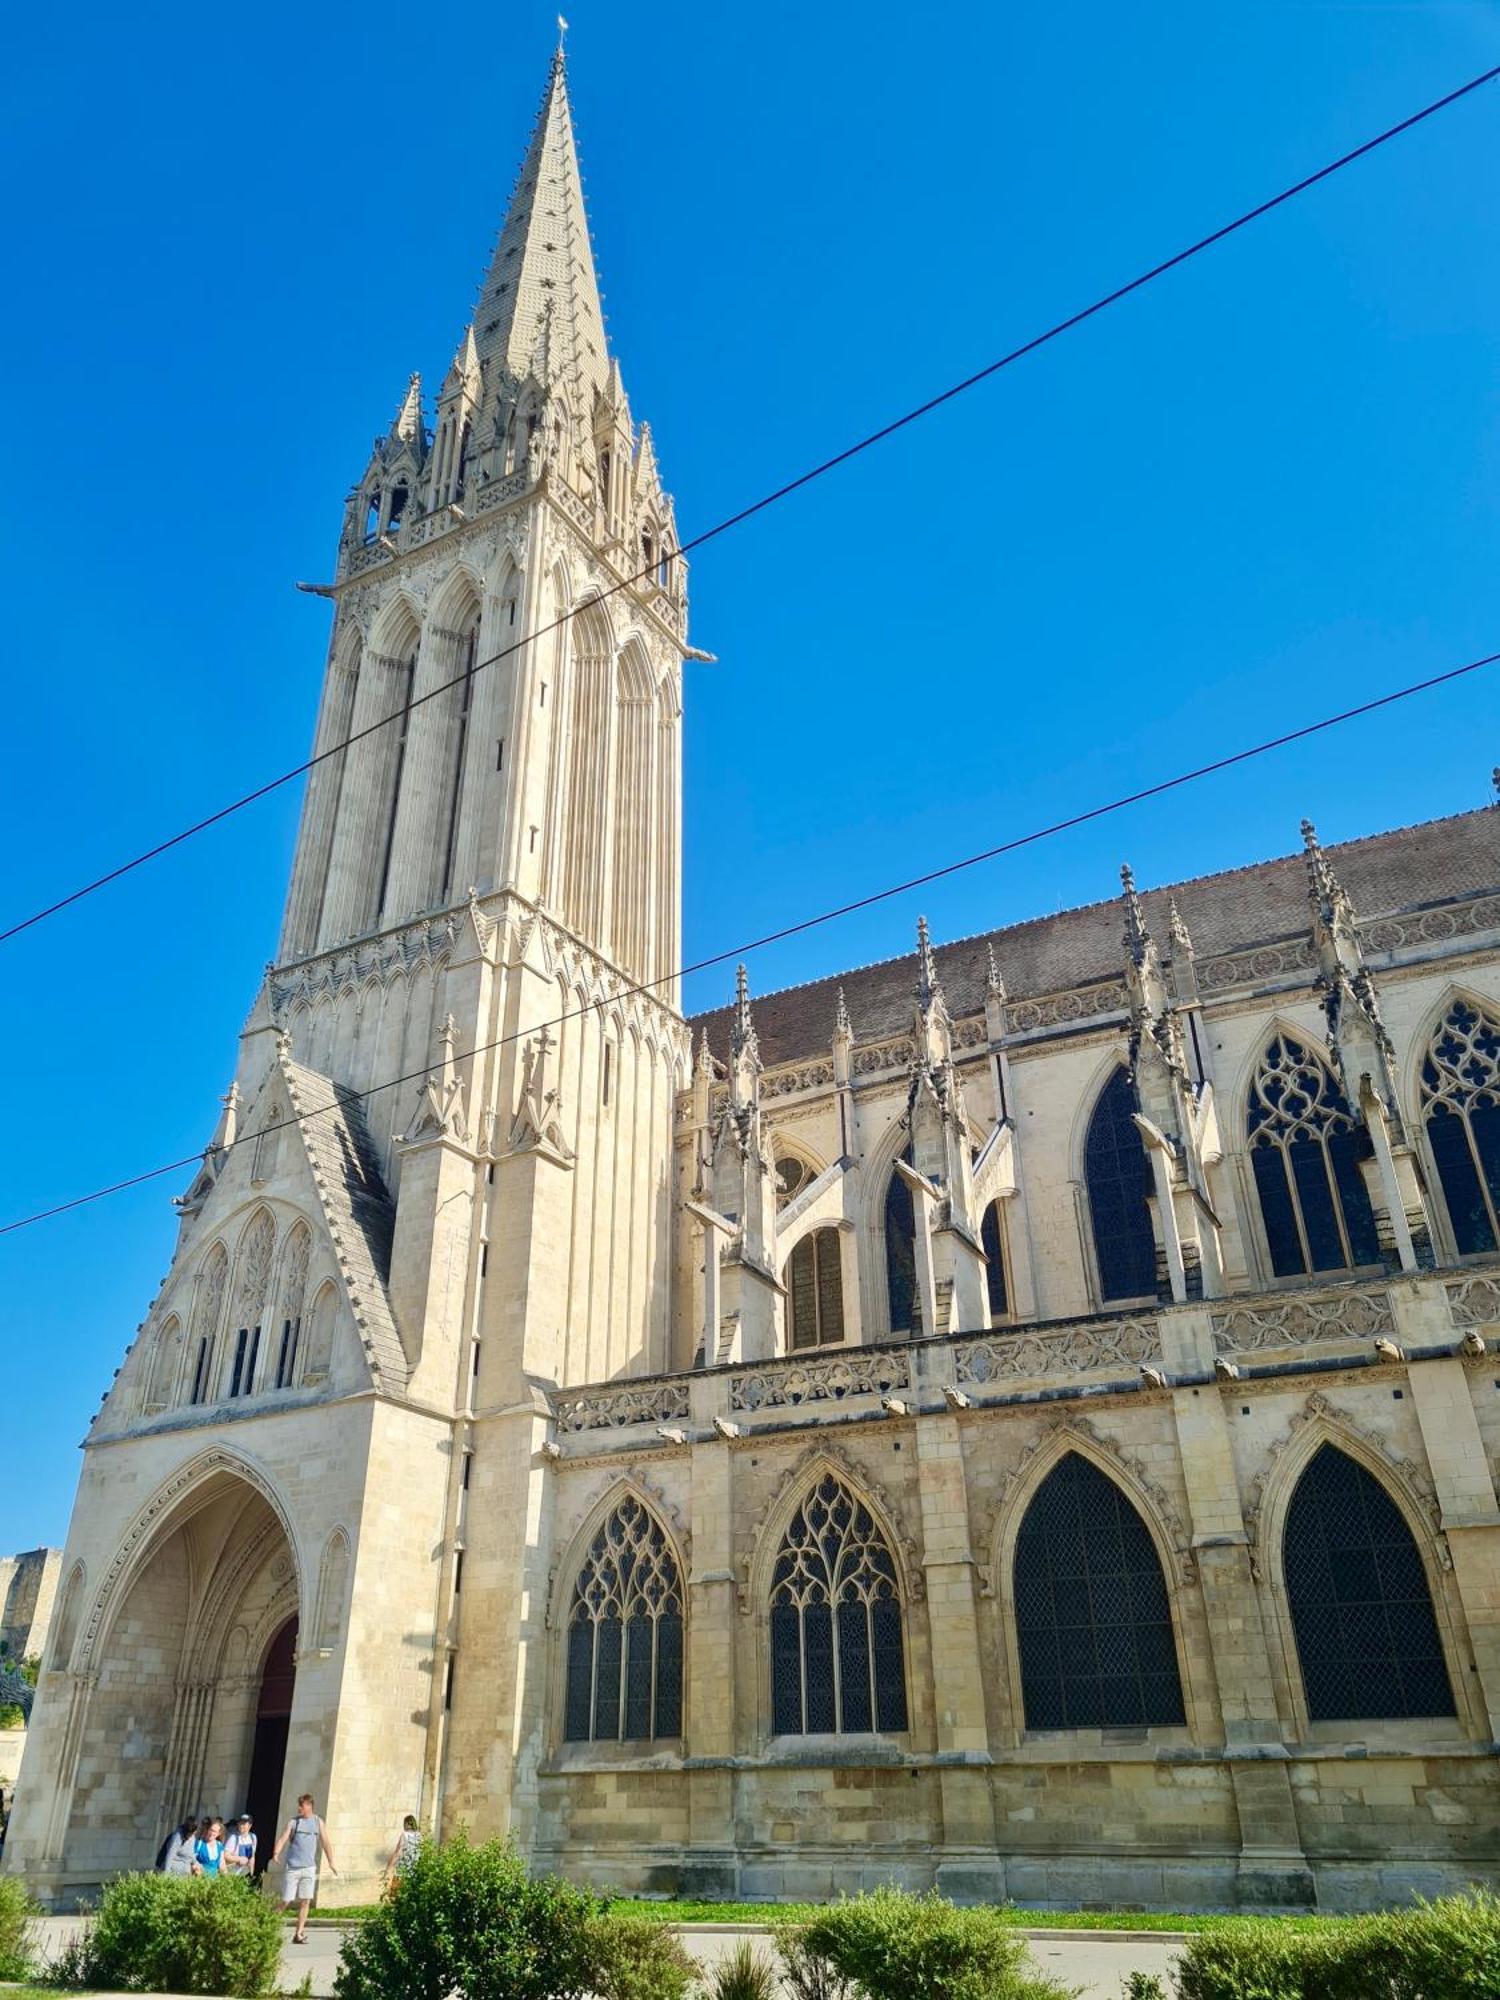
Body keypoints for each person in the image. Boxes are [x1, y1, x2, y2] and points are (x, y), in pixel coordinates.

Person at [271, 1792, 337, 1944]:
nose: (299, 1808)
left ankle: (299, 1933)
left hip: (309, 1867)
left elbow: (326, 1842)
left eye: (302, 1805)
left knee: (305, 1900)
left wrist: (331, 1861)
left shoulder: (318, 1822)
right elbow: (283, 1838)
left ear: (309, 1806)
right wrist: (276, 1853)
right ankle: (269, 1924)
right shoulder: (294, 1823)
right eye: (299, 1805)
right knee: (286, 1900)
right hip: (293, 1867)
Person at [382, 1813, 422, 1889]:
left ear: (406, 1824)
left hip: (403, 1869)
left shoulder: (405, 1835)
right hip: (414, 1870)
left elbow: (397, 1852)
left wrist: (388, 1867)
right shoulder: (419, 1836)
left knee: (396, 1894)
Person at [223, 1811, 257, 1876]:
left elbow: (252, 1856)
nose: (241, 1826)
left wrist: (251, 1872)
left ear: (250, 1825)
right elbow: (225, 1855)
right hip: (232, 1873)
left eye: (244, 1824)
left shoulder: (253, 1837)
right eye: (240, 1823)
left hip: (245, 1873)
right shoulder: (233, 1837)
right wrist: (239, 1859)